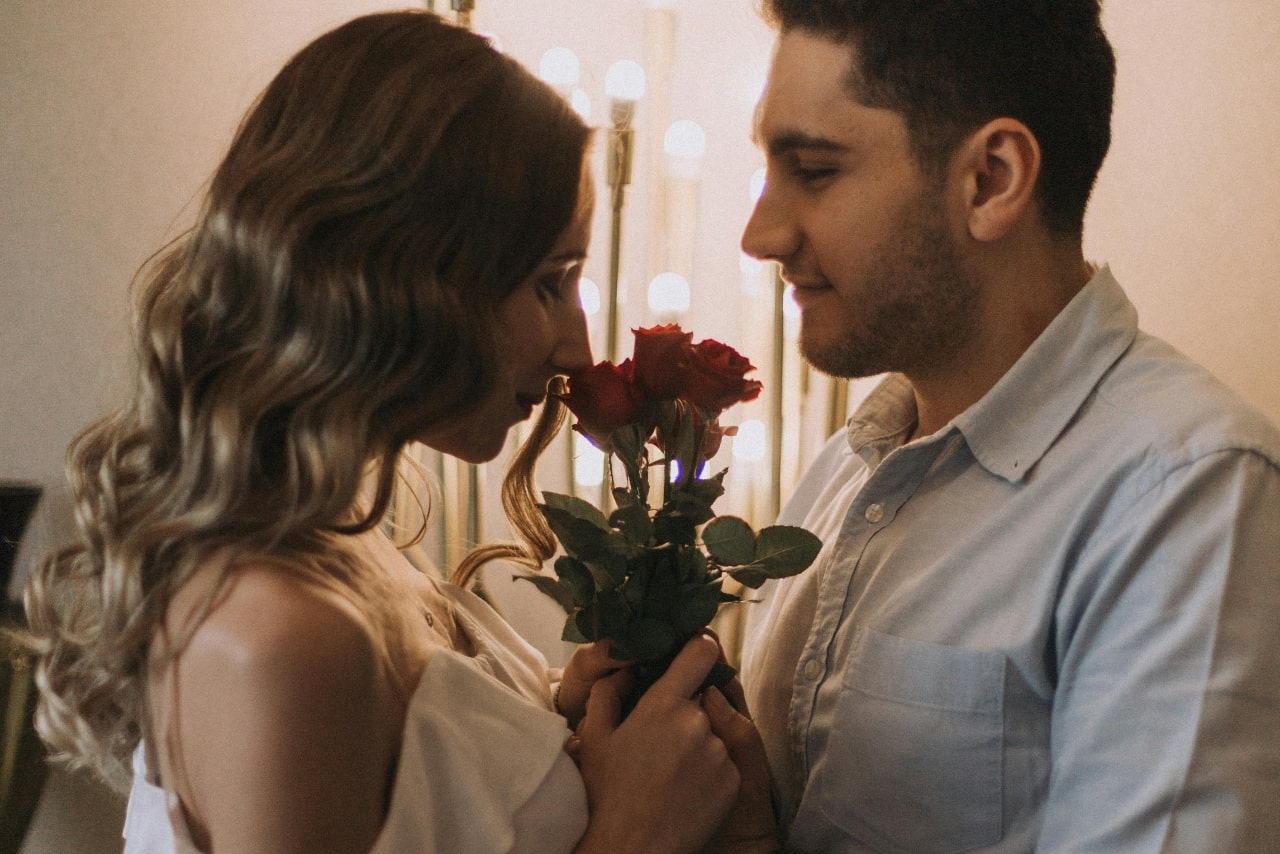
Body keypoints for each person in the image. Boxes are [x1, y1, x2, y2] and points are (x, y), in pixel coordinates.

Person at [21, 12, 774, 854]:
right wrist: (633, 832)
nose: (578, 351)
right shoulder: (280, 638)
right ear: (400, 276)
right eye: (546, 282)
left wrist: (554, 723)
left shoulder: (342, 542)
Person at [738, 1, 1280, 851]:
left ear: (991, 179)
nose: (760, 233)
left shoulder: (1188, 495)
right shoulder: (846, 468)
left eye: (812, 170)